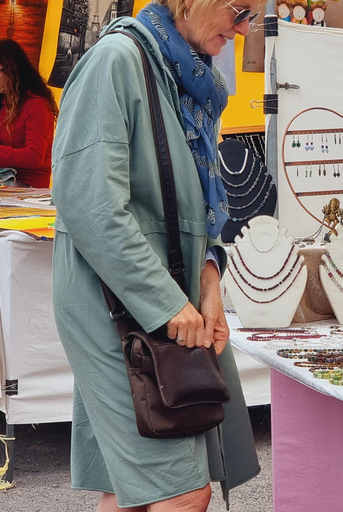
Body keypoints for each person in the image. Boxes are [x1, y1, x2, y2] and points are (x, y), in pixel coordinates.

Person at [51, 0, 261, 510]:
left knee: (129, 491)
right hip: (119, 302)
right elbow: (88, 201)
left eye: (251, 15)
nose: (242, 28)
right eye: (238, 9)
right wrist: (168, 304)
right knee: (182, 491)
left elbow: (199, 204)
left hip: (151, 295)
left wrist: (210, 280)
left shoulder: (186, 77)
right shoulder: (118, 60)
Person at [0, 39, 58, 188]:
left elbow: (34, 157)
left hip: (27, 185)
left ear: (12, 69)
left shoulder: (37, 104)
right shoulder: (2, 102)